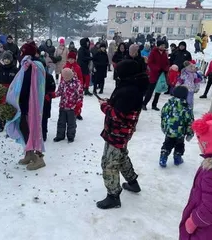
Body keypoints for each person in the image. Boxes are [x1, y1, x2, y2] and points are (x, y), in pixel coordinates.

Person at [96, 60, 149, 209]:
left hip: (118, 131)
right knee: (121, 157)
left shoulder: (130, 90)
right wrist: (110, 102)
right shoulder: (131, 85)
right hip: (119, 131)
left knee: (109, 163)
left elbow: (118, 114)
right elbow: (122, 107)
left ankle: (113, 196)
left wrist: (105, 106)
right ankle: (133, 182)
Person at [6, 42, 46, 171]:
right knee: (23, 126)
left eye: (22, 53)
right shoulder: (26, 65)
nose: (20, 55)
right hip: (23, 102)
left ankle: (38, 158)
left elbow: (29, 85)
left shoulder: (34, 66)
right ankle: (29, 154)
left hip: (31, 104)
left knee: (31, 128)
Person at [159, 86, 194, 167]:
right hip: (180, 131)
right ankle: (177, 158)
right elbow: (190, 121)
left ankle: (163, 157)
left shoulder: (168, 104)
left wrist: (163, 126)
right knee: (180, 144)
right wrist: (190, 133)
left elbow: (163, 115)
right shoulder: (186, 107)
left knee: (167, 143)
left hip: (169, 130)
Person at [52, 68, 83, 143]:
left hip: (72, 108)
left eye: (66, 78)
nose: (64, 79)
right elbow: (59, 92)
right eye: (63, 77)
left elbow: (80, 95)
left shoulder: (77, 83)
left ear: (70, 77)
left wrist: (78, 105)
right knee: (61, 122)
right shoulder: (63, 82)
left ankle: (70, 136)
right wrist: (52, 95)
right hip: (63, 106)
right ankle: (60, 135)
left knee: (71, 123)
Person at [0, 51, 19, 132]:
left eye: (8, 59)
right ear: (2, 60)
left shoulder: (15, 70)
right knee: (2, 108)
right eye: (5, 59)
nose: (6, 61)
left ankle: (10, 125)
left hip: (11, 91)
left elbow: (18, 80)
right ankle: (1, 124)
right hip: (1, 91)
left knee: (11, 108)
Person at [142, 40, 169, 111]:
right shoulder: (153, 52)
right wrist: (157, 68)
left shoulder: (164, 53)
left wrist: (165, 69)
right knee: (150, 90)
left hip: (161, 74)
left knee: (158, 90)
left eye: (164, 45)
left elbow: (167, 63)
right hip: (154, 74)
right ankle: (144, 104)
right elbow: (150, 63)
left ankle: (154, 105)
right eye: (162, 45)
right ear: (158, 46)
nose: (163, 47)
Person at [64, 51, 84, 120]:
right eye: (69, 59)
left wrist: (80, 84)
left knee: (77, 101)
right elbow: (63, 77)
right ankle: (68, 113)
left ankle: (78, 112)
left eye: (72, 59)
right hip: (68, 88)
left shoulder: (77, 67)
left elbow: (80, 77)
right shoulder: (65, 67)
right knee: (68, 101)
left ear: (75, 59)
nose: (71, 60)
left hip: (76, 87)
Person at [42, 64, 56, 142]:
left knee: (44, 117)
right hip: (36, 101)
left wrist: (48, 94)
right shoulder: (34, 76)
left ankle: (44, 133)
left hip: (46, 101)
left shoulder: (49, 77)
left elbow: (53, 88)